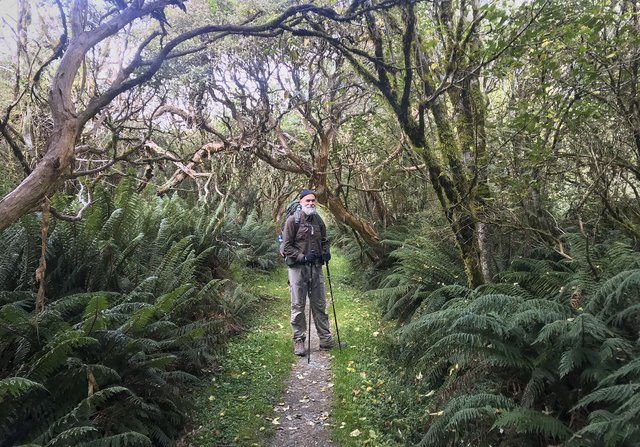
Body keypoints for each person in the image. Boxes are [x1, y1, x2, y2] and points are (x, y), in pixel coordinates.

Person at [281, 189, 342, 356]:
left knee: (320, 303)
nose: (310, 203)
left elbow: (324, 241)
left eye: (313, 201)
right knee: (298, 305)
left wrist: (326, 252)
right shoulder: (292, 221)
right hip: (298, 269)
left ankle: (325, 339)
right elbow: (286, 247)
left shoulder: (318, 220)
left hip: (316, 268)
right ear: (301, 202)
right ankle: (299, 341)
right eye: (307, 201)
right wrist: (302, 256)